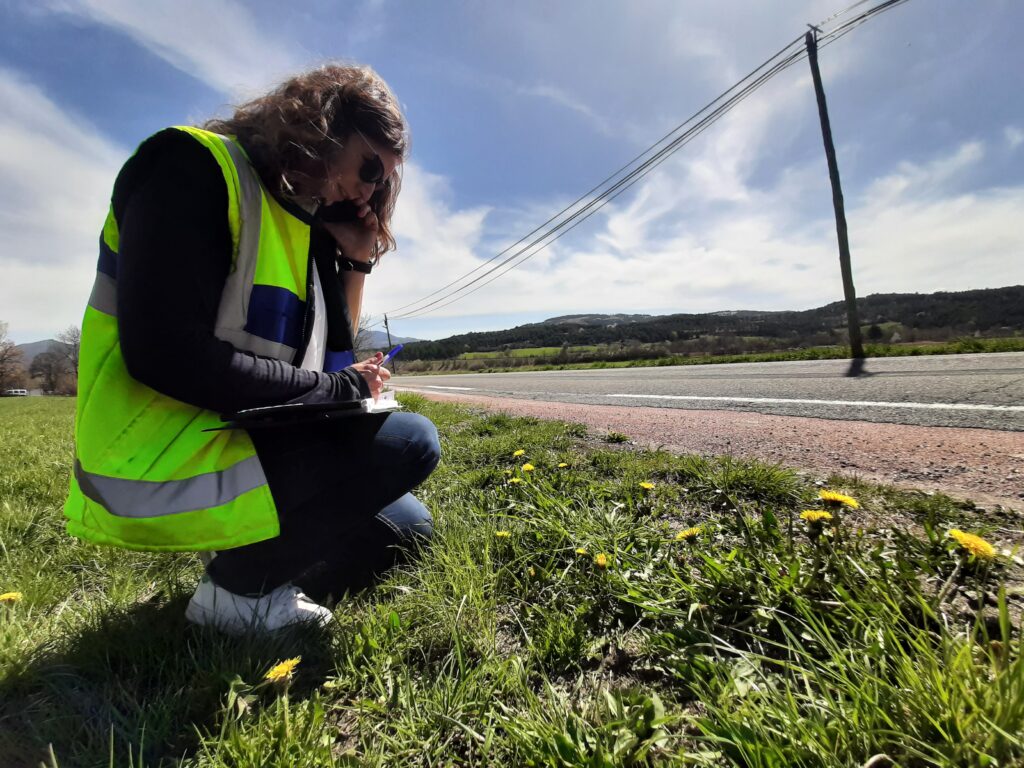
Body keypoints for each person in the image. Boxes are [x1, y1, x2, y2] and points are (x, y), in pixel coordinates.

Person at [64, 64, 440, 635]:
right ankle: (238, 593)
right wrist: (341, 388)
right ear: (322, 126)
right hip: (164, 457)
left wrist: (355, 260)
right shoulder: (189, 166)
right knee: (412, 440)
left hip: (241, 439)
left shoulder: (301, 224)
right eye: (368, 167)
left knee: (406, 531)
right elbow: (165, 354)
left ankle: (248, 565)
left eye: (382, 182)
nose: (369, 190)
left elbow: (332, 366)